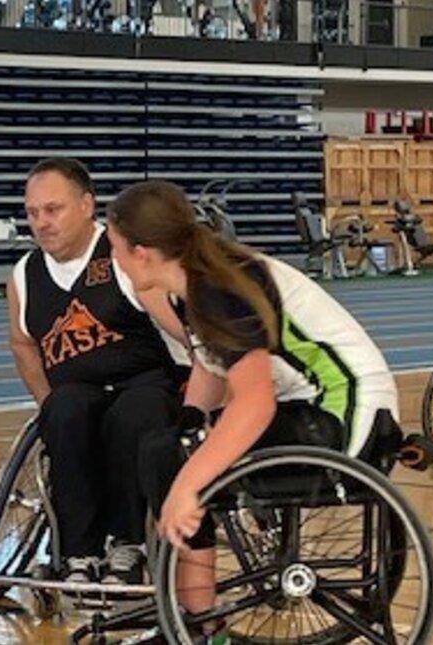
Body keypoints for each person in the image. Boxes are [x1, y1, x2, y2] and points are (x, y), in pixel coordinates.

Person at [105, 180, 400, 640]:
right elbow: (211, 367)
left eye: (116, 249)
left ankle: (199, 621)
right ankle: (195, 615)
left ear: (142, 251)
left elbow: (256, 403)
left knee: (177, 463)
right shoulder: (195, 281)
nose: (114, 262)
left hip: (344, 412)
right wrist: (186, 425)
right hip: (312, 405)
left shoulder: (218, 289)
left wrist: (187, 483)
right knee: (165, 446)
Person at [7, 158, 187, 585]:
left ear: (87, 205)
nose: (42, 223)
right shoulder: (24, 275)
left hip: (144, 381)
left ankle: (128, 545)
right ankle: (77, 552)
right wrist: (47, 402)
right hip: (79, 387)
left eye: (54, 210)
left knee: (134, 414)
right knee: (64, 412)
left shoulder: (128, 255)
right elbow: (23, 344)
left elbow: (179, 330)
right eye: (33, 213)